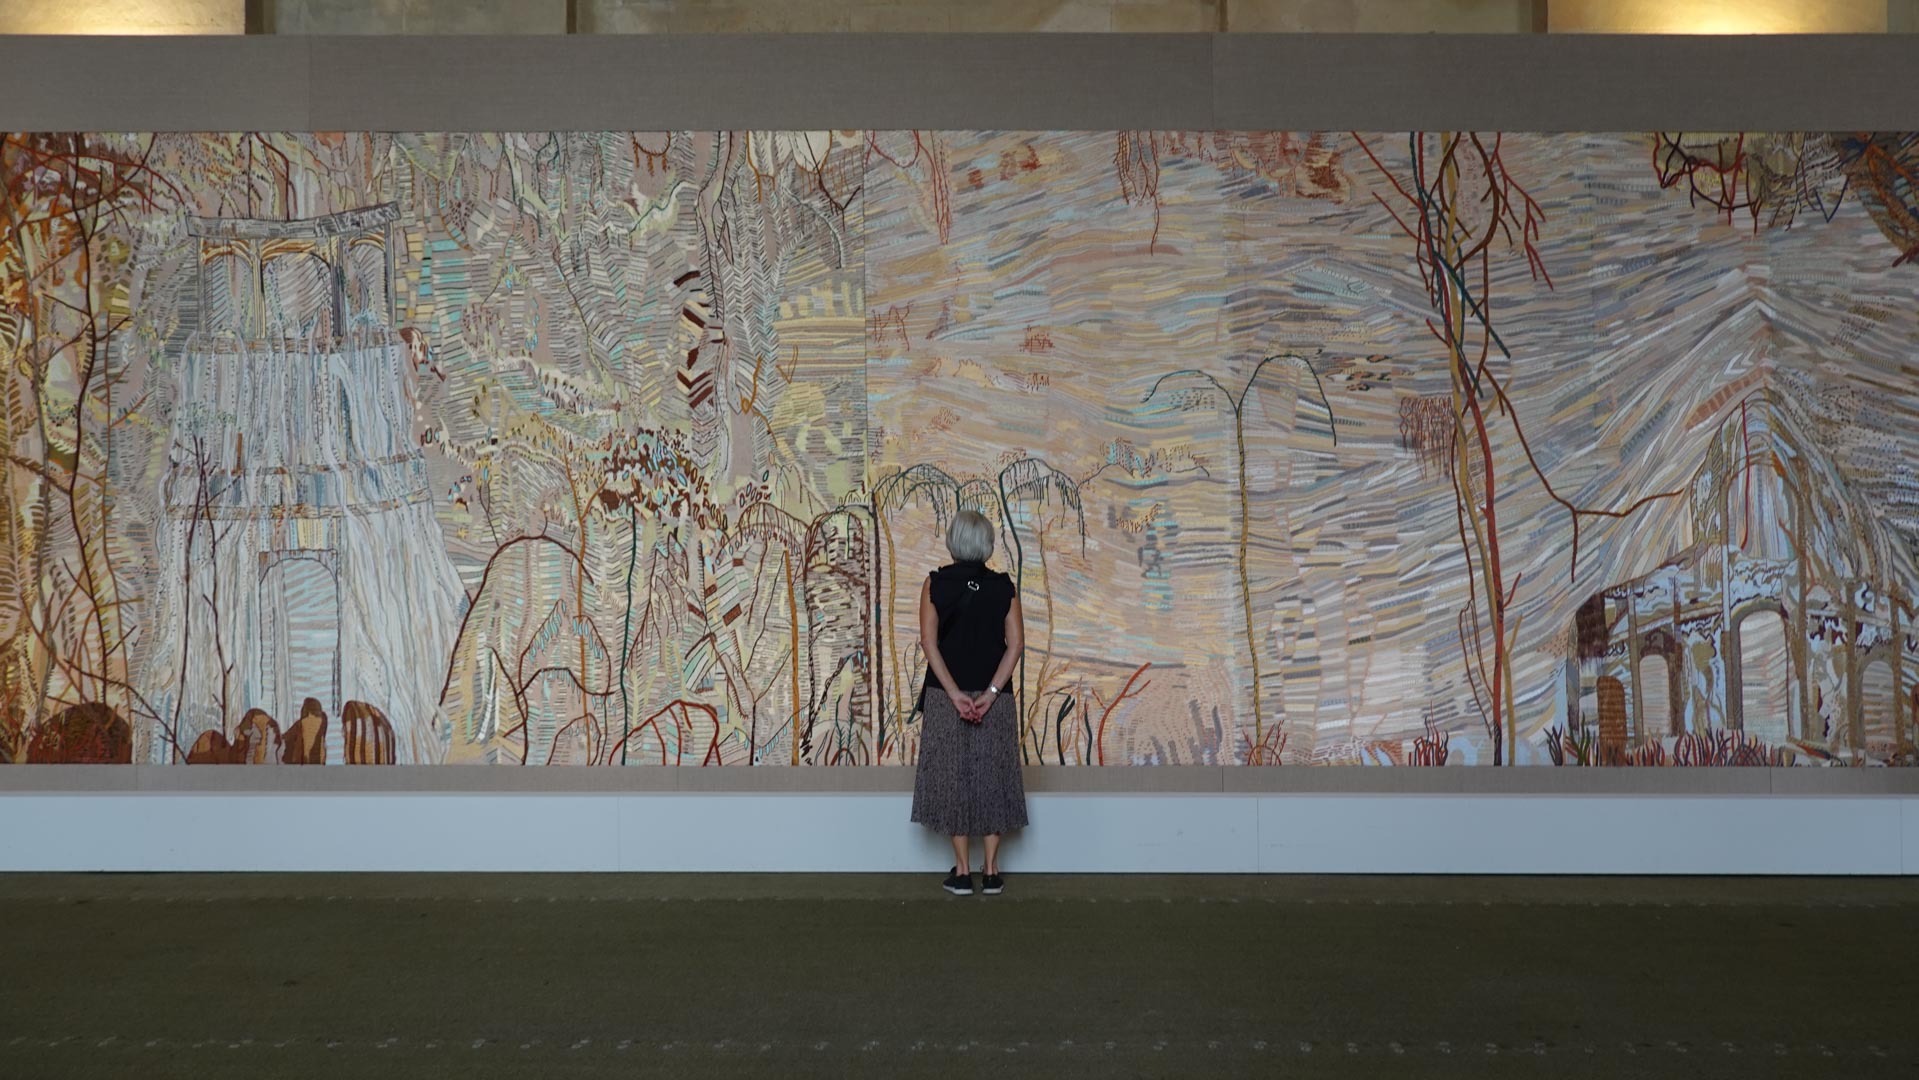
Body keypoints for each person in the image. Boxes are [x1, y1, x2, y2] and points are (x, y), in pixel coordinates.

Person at [911, 508, 1028, 896]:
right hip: (997, 700)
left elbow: (928, 642)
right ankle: (991, 872)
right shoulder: (1004, 586)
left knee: (952, 779)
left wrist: (954, 693)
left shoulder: (935, 583)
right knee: (994, 777)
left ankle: (962, 873)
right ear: (988, 544)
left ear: (953, 541)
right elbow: (1016, 646)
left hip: (946, 698)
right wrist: (991, 694)